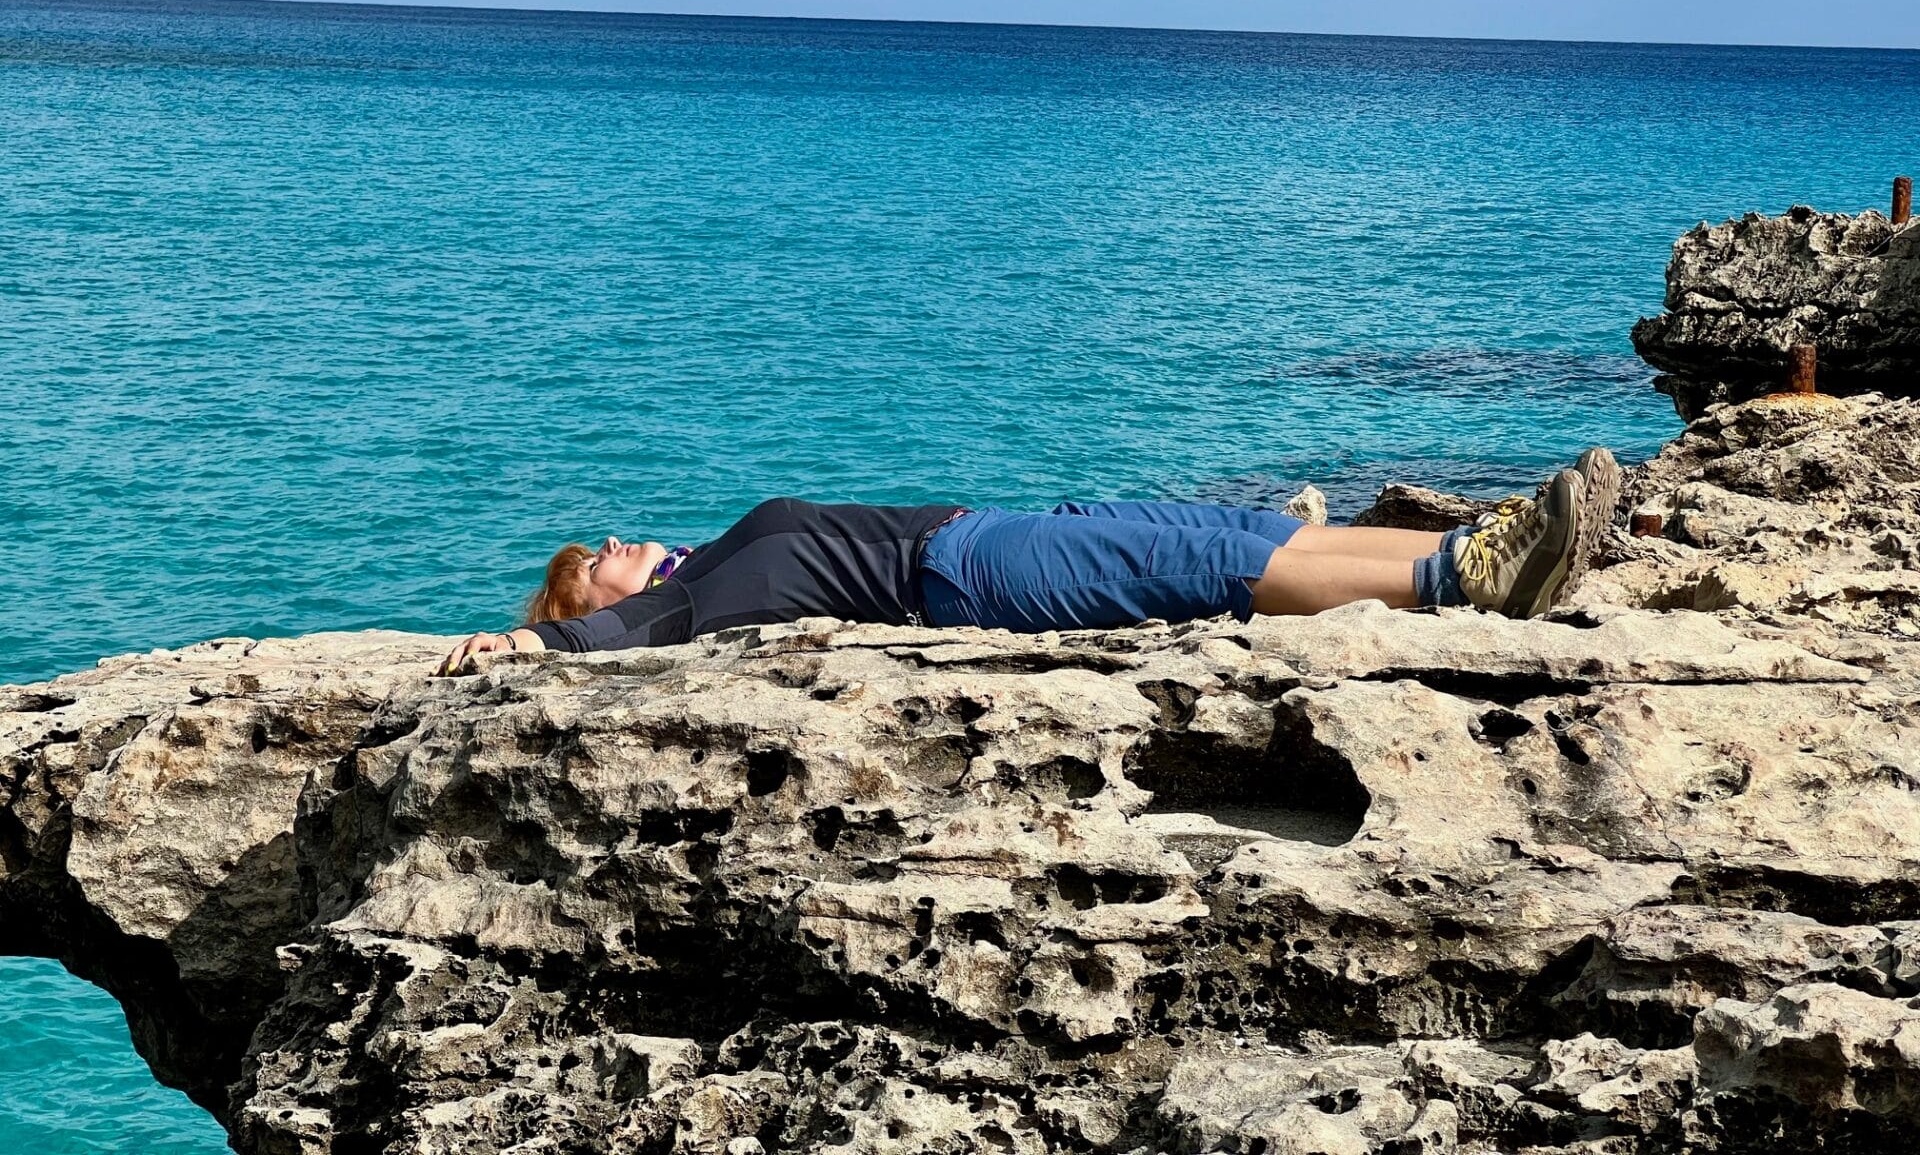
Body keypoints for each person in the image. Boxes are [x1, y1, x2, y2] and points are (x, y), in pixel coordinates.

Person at [434, 449, 1620, 675]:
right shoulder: (682, 606)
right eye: (591, 561)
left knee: (1241, 534)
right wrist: (537, 641)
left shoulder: (706, 559)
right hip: (968, 582)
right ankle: (1460, 583)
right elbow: (618, 640)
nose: (611, 548)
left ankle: (1476, 543)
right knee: (1210, 572)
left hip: (981, 533)